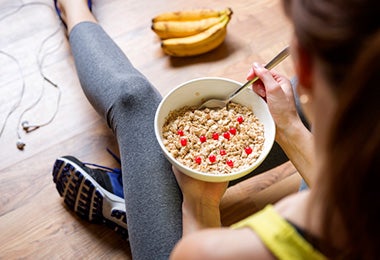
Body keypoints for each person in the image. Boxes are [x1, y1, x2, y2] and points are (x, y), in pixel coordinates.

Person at [52, 0, 379, 259]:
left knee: (133, 100)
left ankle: (73, 6)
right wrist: (290, 126)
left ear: (304, 62)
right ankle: (144, 201)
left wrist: (199, 202)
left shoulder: (220, 253)